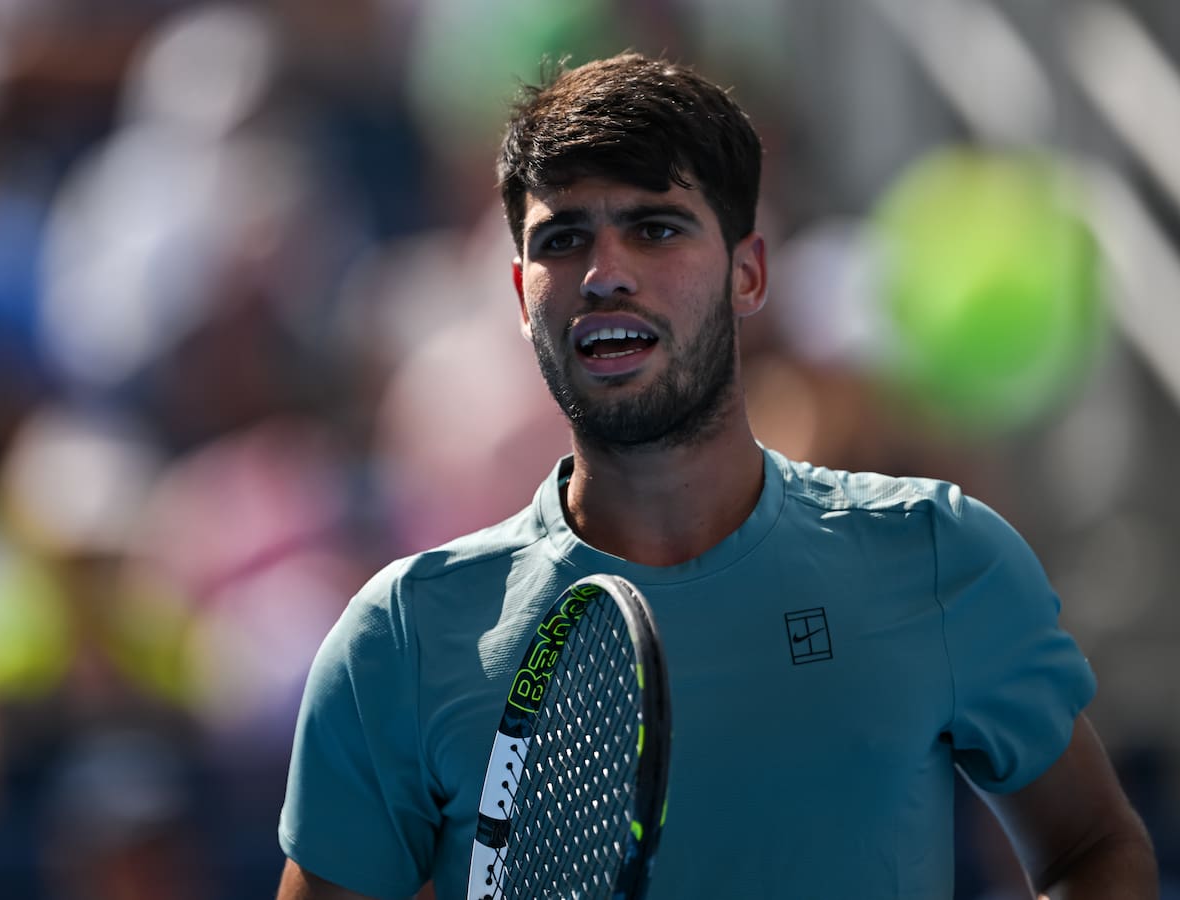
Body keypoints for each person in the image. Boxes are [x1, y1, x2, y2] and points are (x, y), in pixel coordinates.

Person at [275, 53, 1158, 899]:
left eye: (655, 229)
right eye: (564, 238)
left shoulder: (939, 551)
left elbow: (1094, 847)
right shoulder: (399, 638)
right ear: (519, 295)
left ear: (749, 274)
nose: (604, 275)